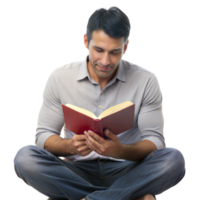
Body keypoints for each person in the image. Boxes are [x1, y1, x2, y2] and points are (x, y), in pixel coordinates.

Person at [12, 5, 187, 200]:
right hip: (75, 171)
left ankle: (85, 198)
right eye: (99, 50)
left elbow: (155, 141)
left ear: (126, 47)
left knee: (174, 160)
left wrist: (121, 150)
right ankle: (123, 197)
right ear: (85, 41)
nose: (105, 61)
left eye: (114, 52)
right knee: (25, 157)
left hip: (128, 170)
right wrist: (70, 146)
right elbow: (43, 137)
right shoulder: (58, 77)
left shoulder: (147, 80)